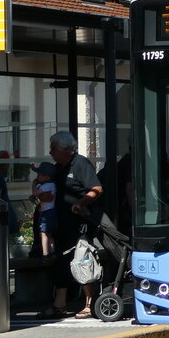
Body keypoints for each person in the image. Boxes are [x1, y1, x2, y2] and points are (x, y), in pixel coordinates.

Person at [41, 131, 104, 320]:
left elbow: (97, 189)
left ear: (66, 149)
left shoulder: (80, 163)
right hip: (60, 224)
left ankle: (89, 302)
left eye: (53, 148)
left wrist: (82, 202)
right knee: (59, 262)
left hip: (79, 223)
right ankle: (59, 305)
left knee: (81, 259)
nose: (50, 152)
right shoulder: (57, 168)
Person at [29, 161, 59, 258]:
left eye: (39, 175)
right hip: (51, 211)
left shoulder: (46, 186)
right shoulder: (52, 185)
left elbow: (36, 193)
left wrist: (34, 186)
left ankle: (45, 253)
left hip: (47, 212)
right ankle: (52, 251)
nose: (37, 177)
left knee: (43, 233)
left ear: (47, 177)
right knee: (49, 234)